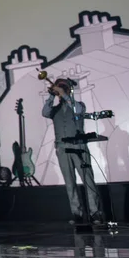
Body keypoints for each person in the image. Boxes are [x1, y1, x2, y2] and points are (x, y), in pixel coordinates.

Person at [41, 78, 103, 225]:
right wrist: (51, 95)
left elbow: (78, 110)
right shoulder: (54, 109)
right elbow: (45, 112)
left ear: (69, 90)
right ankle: (77, 214)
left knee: (88, 180)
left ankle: (96, 214)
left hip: (79, 147)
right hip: (62, 148)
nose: (60, 90)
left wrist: (65, 94)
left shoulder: (78, 105)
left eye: (63, 88)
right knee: (70, 183)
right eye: (59, 88)